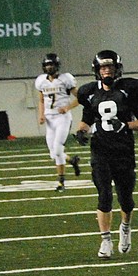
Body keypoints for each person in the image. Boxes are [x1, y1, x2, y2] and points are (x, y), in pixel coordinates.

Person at [72, 50, 138, 259]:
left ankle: (125, 227)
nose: (107, 71)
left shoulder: (129, 90)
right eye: (103, 67)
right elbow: (86, 119)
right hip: (100, 150)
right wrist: (81, 131)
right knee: (104, 195)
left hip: (123, 151)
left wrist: (125, 124)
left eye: (110, 67)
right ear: (97, 71)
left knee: (126, 198)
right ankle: (105, 240)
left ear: (117, 69)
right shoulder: (89, 93)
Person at [34, 52, 80, 192]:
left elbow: (80, 98)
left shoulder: (66, 79)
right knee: (54, 153)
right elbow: (42, 100)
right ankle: (69, 166)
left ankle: (64, 176)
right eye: (47, 65)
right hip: (49, 119)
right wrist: (41, 115)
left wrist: (67, 107)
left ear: (57, 66)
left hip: (62, 118)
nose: (49, 67)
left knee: (58, 149)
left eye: (52, 64)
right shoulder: (41, 81)